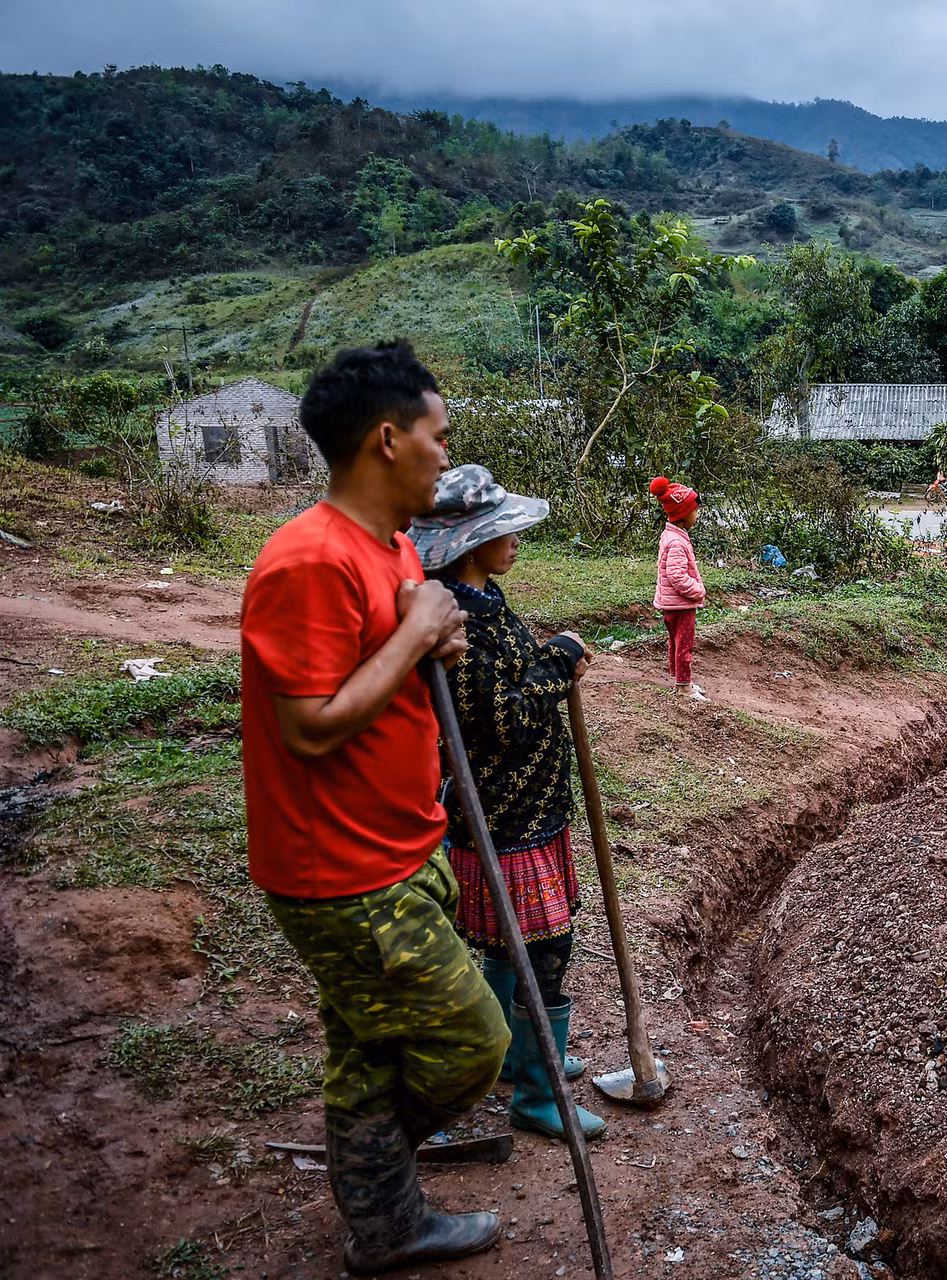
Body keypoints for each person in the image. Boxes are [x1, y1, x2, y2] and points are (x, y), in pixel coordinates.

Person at [240, 341, 506, 1273]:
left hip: (400, 846)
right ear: (389, 440)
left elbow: (385, 669)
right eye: (439, 436)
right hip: (344, 872)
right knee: (473, 1042)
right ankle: (374, 1172)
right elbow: (310, 728)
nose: (447, 452)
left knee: (367, 1046)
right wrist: (418, 634)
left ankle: (388, 1230)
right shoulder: (307, 561)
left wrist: (428, 641)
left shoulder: (388, 546)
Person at [409, 464, 607, 1142]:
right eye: (506, 531)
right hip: (505, 822)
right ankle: (537, 1094)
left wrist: (547, 656)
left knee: (507, 948)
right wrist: (557, 662)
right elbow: (506, 721)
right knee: (544, 952)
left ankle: (517, 1055)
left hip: (532, 814)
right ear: (470, 545)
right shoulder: (454, 626)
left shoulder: (488, 601)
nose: (517, 538)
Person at [651, 475, 708, 700]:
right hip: (680, 604)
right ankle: (684, 688)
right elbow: (676, 575)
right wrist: (697, 590)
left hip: (671, 603)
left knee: (675, 643)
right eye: (695, 510)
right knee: (684, 645)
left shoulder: (671, 535)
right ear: (683, 515)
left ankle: (680, 680)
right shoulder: (676, 542)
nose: (697, 514)